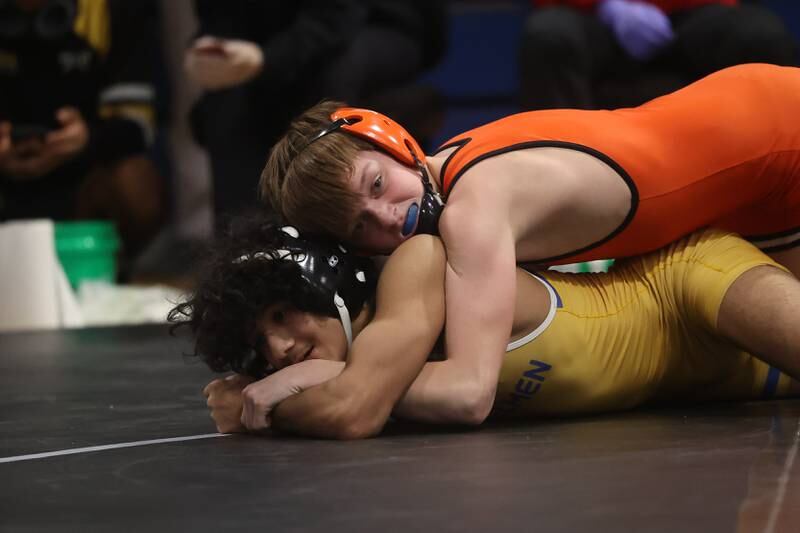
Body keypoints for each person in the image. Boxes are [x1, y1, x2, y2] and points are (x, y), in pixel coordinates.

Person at [261, 63, 800, 426]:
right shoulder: (452, 170)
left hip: (781, 133)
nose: (389, 218)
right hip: (756, 183)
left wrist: (343, 379)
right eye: (360, 227)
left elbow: (470, 393)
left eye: (377, 185)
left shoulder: (474, 210)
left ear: (391, 137)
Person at [168, 213, 800, 438]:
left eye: (284, 314)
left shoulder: (416, 263)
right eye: (259, 345)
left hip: (685, 284)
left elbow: (355, 410)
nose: (279, 348)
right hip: (721, 387)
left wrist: (288, 394)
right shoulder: (358, 364)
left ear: (328, 281)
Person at [184, 0, 446, 224]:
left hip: (376, 23)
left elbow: (338, 16)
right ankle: (242, 250)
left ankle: (327, 236)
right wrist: (208, 53)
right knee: (224, 102)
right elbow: (218, 17)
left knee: (335, 75)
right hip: (276, 45)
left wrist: (267, 60)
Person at [0, 0, 166, 262]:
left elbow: (138, 125)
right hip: (6, 176)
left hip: (86, 173)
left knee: (136, 181)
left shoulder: (112, 9)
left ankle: (108, 271)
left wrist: (86, 139)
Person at [518, 0, 798, 110]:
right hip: (594, 19)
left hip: (692, 16)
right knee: (548, 37)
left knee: (762, 37)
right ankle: (564, 177)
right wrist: (609, 6)